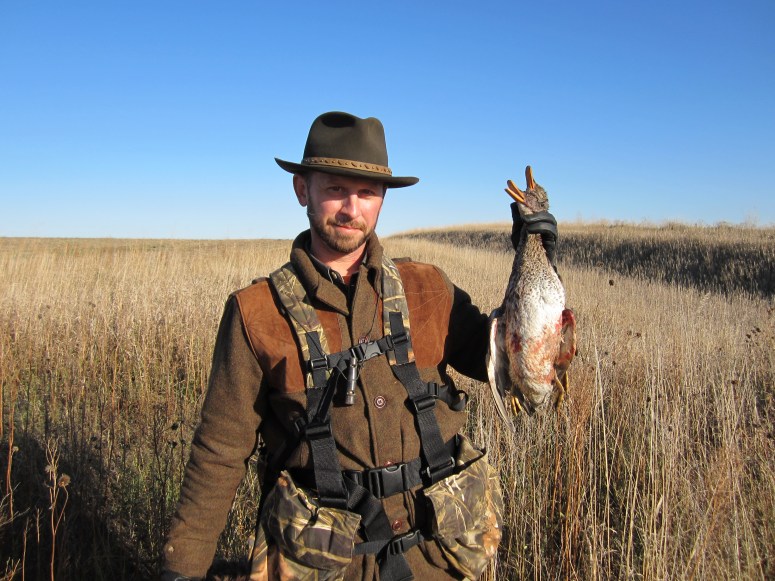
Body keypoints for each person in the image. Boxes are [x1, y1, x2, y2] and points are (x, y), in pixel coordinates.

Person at [163, 111, 550, 581]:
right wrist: (182, 571)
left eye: (366, 193)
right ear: (302, 190)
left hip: (440, 562)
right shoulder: (256, 313)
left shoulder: (427, 288)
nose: (352, 208)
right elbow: (218, 452)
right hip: (328, 566)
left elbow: (515, 362)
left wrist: (538, 260)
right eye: (334, 189)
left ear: (383, 199)